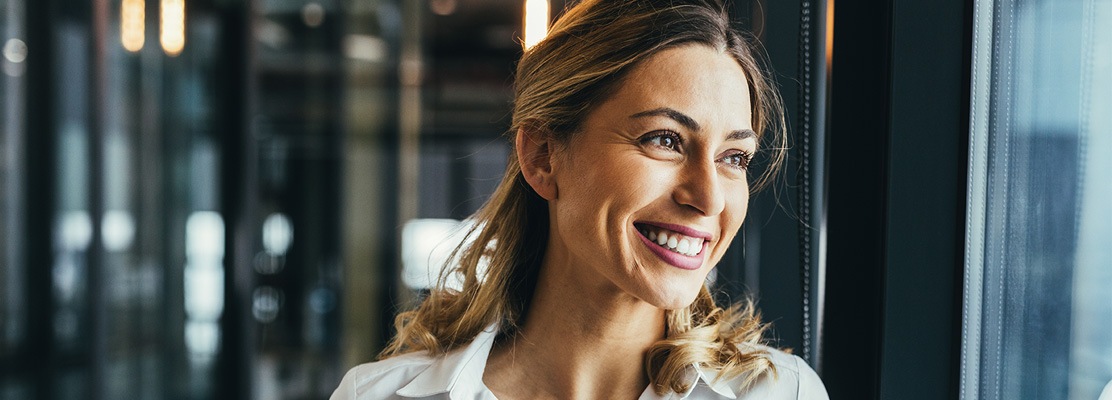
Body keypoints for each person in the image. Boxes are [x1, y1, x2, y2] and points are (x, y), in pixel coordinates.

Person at [332, 0, 828, 398]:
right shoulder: (375, 396)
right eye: (665, 139)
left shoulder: (783, 393)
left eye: (734, 158)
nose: (708, 197)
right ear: (544, 156)